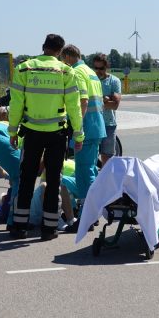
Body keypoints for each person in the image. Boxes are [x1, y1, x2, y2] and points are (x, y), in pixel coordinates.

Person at [8, 34, 84, 241]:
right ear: (60, 51)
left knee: (26, 179)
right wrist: (79, 134)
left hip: (31, 133)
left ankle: (19, 226)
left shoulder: (24, 68)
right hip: (57, 134)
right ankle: (49, 228)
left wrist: (12, 131)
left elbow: (15, 104)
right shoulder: (66, 71)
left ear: (43, 47)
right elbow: (74, 107)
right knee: (53, 180)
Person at [60, 45, 106, 216]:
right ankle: (93, 207)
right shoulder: (91, 72)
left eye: (63, 60)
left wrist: (77, 129)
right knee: (92, 168)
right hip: (97, 126)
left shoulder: (77, 72)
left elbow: (83, 101)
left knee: (84, 171)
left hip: (85, 128)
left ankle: (89, 211)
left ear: (68, 57)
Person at [94, 53, 121, 167]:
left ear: (107, 67)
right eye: (96, 68)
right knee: (92, 156)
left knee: (107, 157)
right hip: (93, 123)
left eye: (101, 68)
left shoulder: (114, 81)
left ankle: (106, 182)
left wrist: (99, 101)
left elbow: (115, 105)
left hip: (109, 124)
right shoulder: (91, 80)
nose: (98, 71)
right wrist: (105, 99)